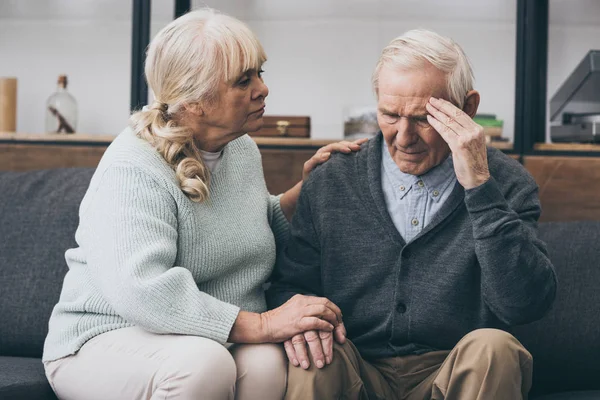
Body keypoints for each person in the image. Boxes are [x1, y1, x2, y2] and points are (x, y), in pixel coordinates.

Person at [42, 8, 364, 400]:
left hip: (193, 336)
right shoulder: (133, 166)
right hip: (101, 338)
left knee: (265, 363)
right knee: (204, 364)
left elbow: (252, 225)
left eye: (260, 73)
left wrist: (307, 191)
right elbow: (143, 291)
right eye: (243, 81)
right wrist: (261, 324)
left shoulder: (240, 149)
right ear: (194, 101)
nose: (262, 89)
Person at [267, 29, 557, 400]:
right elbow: (287, 286)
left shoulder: (506, 182)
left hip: (456, 371)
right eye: (390, 114)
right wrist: (301, 319)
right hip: (354, 364)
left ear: (467, 109)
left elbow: (525, 304)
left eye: (423, 118)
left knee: (495, 348)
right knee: (312, 356)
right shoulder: (332, 178)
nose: (404, 137)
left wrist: (480, 189)